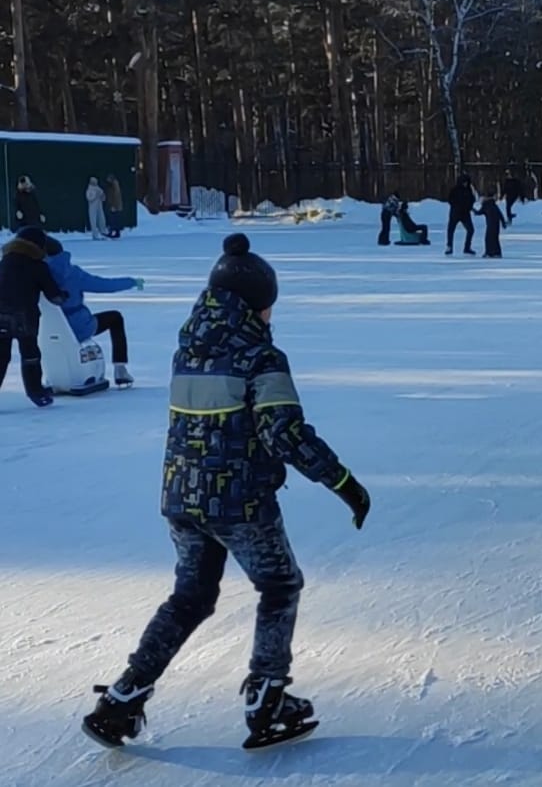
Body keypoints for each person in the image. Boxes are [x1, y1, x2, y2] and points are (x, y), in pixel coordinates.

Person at [82, 233, 372, 750]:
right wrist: (343, 483)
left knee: (190, 597)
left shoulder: (187, 350)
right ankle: (267, 697)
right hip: (240, 501)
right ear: (255, 306)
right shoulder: (262, 358)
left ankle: (122, 700)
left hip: (182, 499)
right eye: (267, 308)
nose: (269, 317)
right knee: (280, 586)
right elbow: (283, 432)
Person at [44, 238, 144, 387]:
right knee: (115, 318)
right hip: (78, 327)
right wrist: (131, 282)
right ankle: (120, 369)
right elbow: (104, 285)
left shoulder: (36, 274)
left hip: (48, 328)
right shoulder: (73, 274)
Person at [0, 227, 67, 407]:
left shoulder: (4, 262)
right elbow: (55, 296)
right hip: (25, 316)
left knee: (1, 356)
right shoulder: (38, 266)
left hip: (1, 314)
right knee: (30, 354)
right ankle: (36, 392)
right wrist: (64, 294)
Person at [446, 173, 476, 256]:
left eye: (467, 182)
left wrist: (469, 207)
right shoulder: (455, 190)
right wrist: (457, 206)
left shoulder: (469, 190)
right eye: (464, 182)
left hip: (465, 214)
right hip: (455, 213)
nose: (465, 184)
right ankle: (449, 246)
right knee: (451, 230)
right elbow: (450, 200)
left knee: (471, 230)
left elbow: (472, 199)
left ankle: (467, 247)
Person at [474, 190, 507, 258]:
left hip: (490, 224)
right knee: (495, 238)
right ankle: (497, 252)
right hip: (496, 224)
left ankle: (489, 252)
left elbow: (479, 212)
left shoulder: (486, 205)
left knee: (488, 239)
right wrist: (503, 223)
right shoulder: (494, 205)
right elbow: (500, 214)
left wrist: (472, 209)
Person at [104, 174, 123, 238]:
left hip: (115, 205)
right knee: (115, 219)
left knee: (113, 219)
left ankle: (112, 232)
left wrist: (114, 205)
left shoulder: (114, 185)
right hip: (115, 205)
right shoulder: (113, 185)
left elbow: (116, 195)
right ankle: (116, 232)